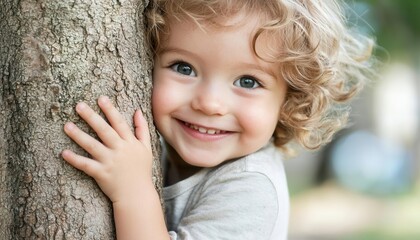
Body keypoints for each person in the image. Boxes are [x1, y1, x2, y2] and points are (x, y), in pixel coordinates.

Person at [61, 0, 374, 239]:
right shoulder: (170, 151)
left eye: (248, 82)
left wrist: (133, 190)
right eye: (184, 67)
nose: (210, 104)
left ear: (290, 100)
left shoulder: (251, 190)